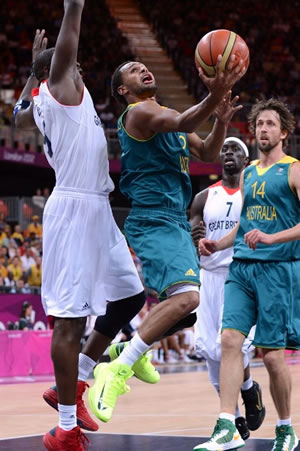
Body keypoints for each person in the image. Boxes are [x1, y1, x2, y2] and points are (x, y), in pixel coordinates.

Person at [14, 3, 148, 449]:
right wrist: (75, 7)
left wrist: (33, 70)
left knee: (130, 294)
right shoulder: (62, 88)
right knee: (69, 322)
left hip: (98, 208)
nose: (77, 63)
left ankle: (80, 379)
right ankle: (66, 428)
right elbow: (70, 31)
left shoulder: (42, 97)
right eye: (65, 60)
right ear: (59, 70)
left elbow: (17, 113)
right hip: (73, 209)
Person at [86, 57, 248, 423]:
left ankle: (133, 347)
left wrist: (220, 122)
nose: (143, 68)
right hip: (153, 216)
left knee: (186, 306)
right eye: (131, 68)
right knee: (189, 296)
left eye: (144, 65)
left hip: (173, 219)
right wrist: (213, 94)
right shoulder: (138, 113)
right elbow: (183, 121)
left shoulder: (165, 114)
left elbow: (207, 151)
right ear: (123, 90)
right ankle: (117, 367)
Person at [196, 98, 300, 451]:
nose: (263, 130)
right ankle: (227, 424)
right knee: (229, 341)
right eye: (259, 125)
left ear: (284, 132)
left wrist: (272, 237)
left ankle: (286, 428)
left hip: (277, 269)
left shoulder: (294, 170)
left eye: (271, 124)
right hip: (241, 268)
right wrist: (218, 244)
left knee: (271, 355)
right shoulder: (250, 171)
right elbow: (244, 224)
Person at [190, 137, 265, 441]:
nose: (228, 153)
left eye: (236, 150)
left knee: (233, 346)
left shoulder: (254, 195)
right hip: (208, 277)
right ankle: (233, 416)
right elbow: (194, 230)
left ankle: (248, 390)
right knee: (210, 351)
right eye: (225, 150)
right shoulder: (203, 197)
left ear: (246, 161)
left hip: (241, 275)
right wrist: (194, 236)